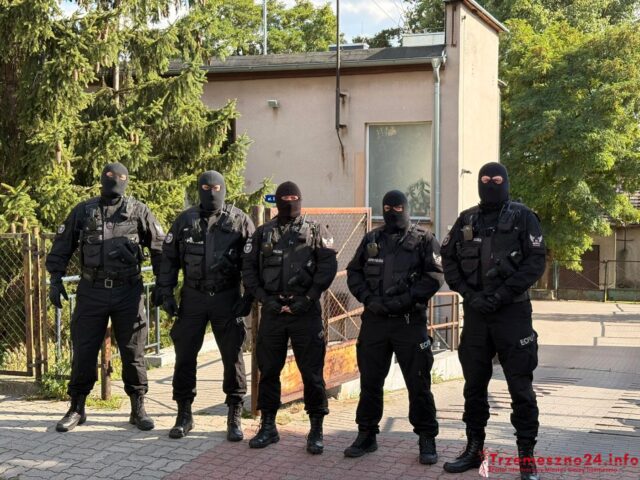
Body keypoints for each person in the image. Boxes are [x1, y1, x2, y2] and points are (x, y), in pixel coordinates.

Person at [440, 162, 545, 480]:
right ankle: (474, 450)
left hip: (512, 314)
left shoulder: (524, 217)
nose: (490, 184)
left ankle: (526, 458)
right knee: (473, 387)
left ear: (507, 182)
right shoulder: (466, 219)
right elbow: (448, 259)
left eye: (497, 179)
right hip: (476, 315)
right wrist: (469, 295)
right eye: (485, 179)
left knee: (520, 388)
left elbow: (535, 262)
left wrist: (500, 295)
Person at [46, 162, 164, 432]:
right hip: (92, 290)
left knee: (133, 351)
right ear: (102, 179)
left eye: (121, 177)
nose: (115, 181)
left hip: (128, 291)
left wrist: (163, 284)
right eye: (110, 176)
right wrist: (55, 279)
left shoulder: (139, 210)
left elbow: (159, 248)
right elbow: (62, 245)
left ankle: (138, 407)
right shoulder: (84, 210)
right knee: (84, 349)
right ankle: (77, 407)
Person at [344, 190, 443, 464]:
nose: (392, 212)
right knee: (370, 382)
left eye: (398, 207)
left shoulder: (424, 239)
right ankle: (367, 434)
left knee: (418, 383)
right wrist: (368, 299)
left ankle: (426, 438)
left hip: (409, 322)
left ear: (406, 208)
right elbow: (354, 272)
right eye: (387, 208)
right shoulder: (372, 239)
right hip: (375, 322)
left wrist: (405, 300)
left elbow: (434, 276)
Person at [155, 170, 254, 441]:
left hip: (227, 297)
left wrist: (249, 296)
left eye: (216, 188)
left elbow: (251, 262)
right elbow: (169, 259)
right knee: (185, 356)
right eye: (206, 188)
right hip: (193, 297)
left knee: (232, 357)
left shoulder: (239, 220)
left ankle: (234, 416)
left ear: (224, 189)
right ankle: (184, 414)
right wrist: (166, 293)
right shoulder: (185, 221)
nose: (212, 192)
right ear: (199, 190)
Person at [242, 181, 337, 454]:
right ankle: (268, 426)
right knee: (268, 371)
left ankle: (316, 429)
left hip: (305, 312)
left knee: (312, 373)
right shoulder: (262, 233)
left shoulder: (316, 230)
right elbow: (248, 269)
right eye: (284, 198)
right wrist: (264, 298)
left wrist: (309, 298)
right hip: (273, 312)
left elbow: (328, 266)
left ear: (301, 200)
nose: (289, 202)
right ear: (277, 201)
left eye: (294, 197)